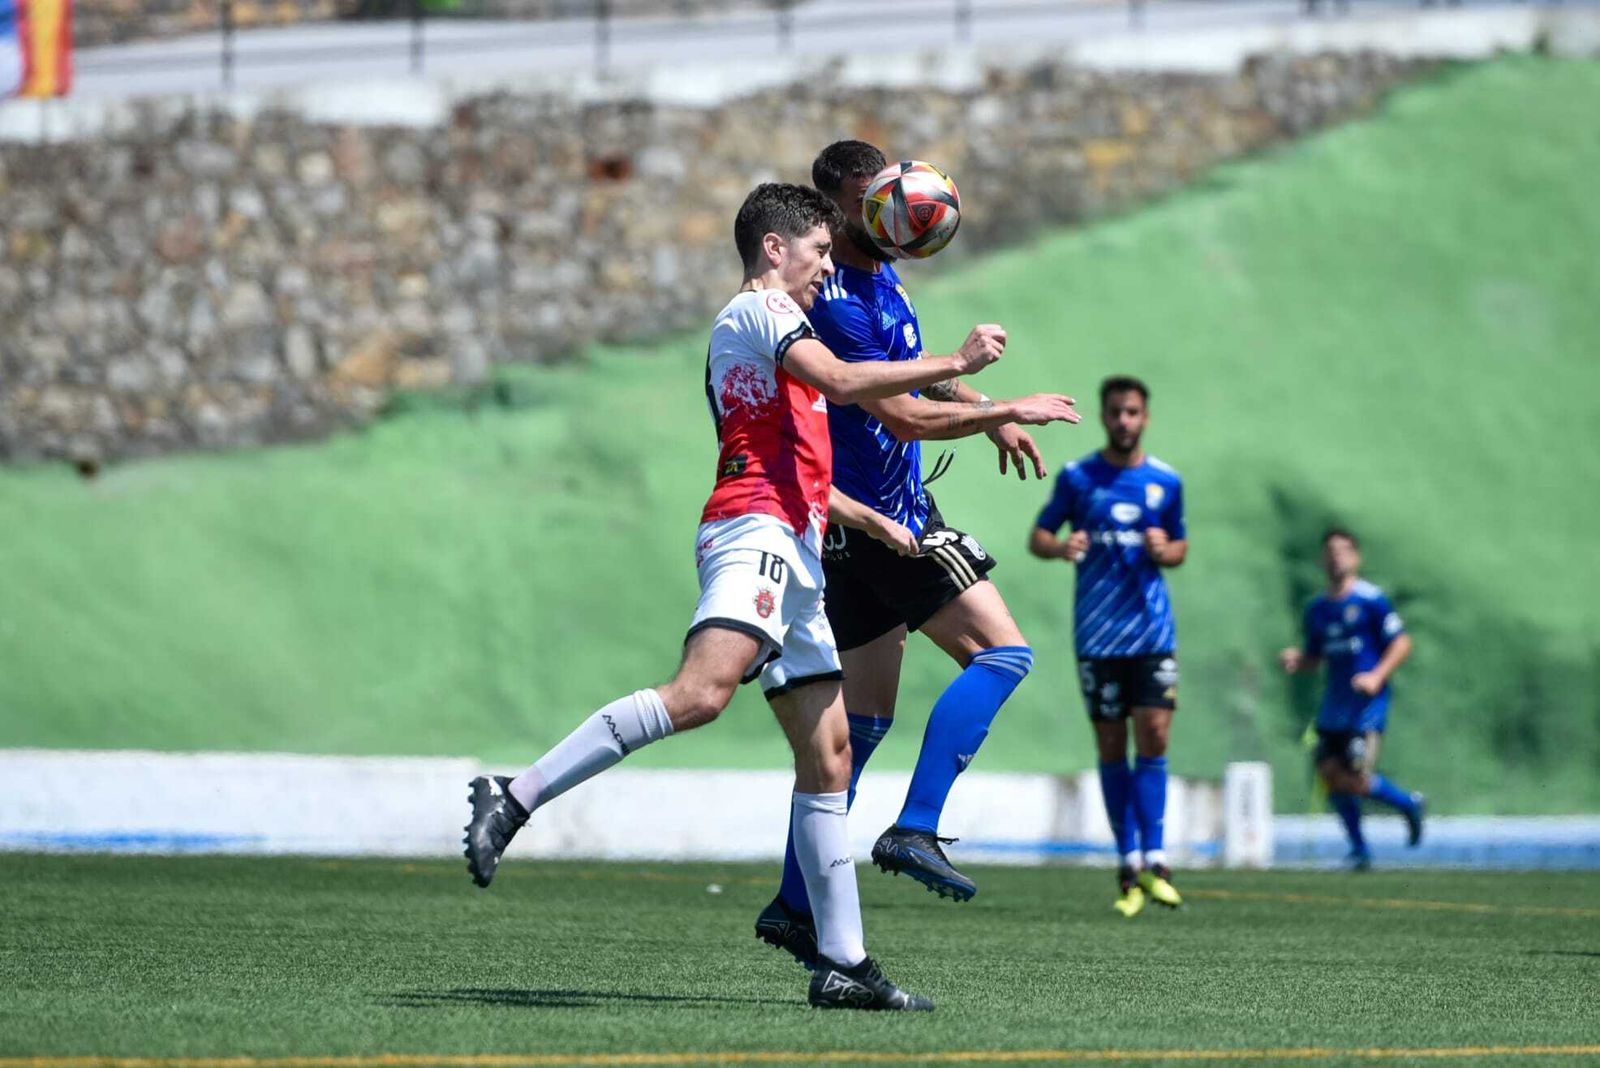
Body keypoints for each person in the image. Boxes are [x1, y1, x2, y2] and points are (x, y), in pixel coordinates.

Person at [462, 182, 1005, 1011]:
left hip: (796, 544)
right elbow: (844, 378)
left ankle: (844, 965)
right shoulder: (757, 312)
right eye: (819, 252)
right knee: (702, 693)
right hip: (754, 534)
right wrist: (959, 368)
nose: (828, 267)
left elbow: (803, 461)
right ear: (774, 250)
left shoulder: (775, 330)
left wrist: (868, 521)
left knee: (828, 757)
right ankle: (517, 794)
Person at [752, 140, 1083, 968]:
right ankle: (916, 828)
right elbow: (898, 414)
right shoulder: (834, 303)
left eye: (894, 193)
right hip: (888, 521)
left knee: (859, 727)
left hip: (859, 531)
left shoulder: (884, 276)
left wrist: (982, 405)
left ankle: (795, 904)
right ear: (837, 206)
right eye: (875, 197)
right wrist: (1008, 403)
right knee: (1003, 654)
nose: (892, 208)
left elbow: (922, 375)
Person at [1028, 375, 1186, 918]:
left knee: (1157, 732)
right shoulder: (1079, 479)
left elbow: (1180, 545)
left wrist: (1168, 549)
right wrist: (1061, 545)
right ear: (1103, 416)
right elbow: (1039, 536)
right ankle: (1128, 861)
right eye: (1116, 412)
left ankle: (1158, 859)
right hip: (1098, 635)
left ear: (1146, 417)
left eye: (1133, 413)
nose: (1124, 421)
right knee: (1113, 745)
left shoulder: (1166, 482)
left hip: (1151, 632)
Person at [1279, 528, 1424, 870]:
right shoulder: (1317, 609)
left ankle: (1407, 804)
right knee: (1330, 774)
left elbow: (1401, 643)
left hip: (1365, 709)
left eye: (1343, 551)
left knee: (1355, 776)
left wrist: (1376, 676)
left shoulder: (1371, 601)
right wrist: (1298, 660)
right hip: (1334, 707)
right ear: (1321, 559)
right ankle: (1360, 850)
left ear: (1355, 557)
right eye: (1330, 551)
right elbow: (1316, 656)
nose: (1336, 557)